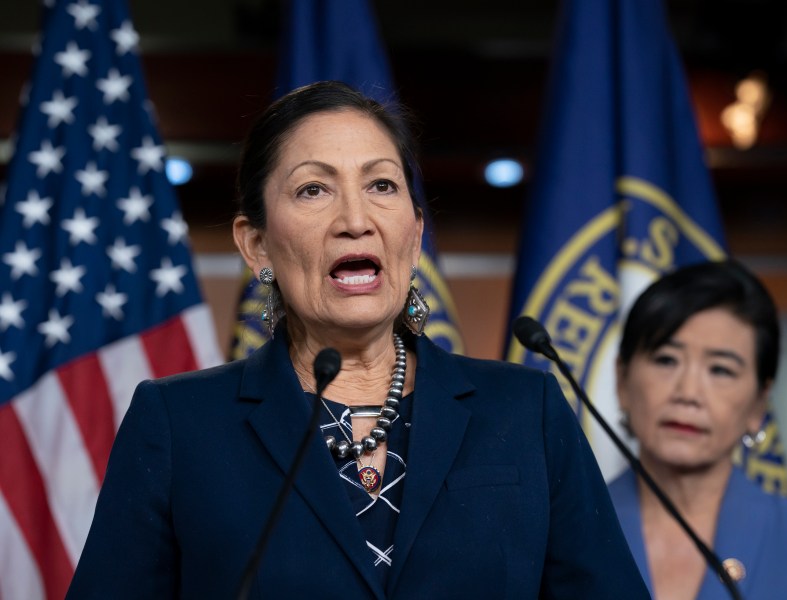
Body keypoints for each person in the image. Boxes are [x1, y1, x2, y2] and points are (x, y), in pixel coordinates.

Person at [67, 81, 649, 599]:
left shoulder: (526, 411)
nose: (355, 218)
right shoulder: (178, 424)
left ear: (415, 234)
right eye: (313, 190)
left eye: (381, 185)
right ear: (257, 246)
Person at [608, 259, 787, 599]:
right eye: (666, 360)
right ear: (622, 380)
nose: (688, 393)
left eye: (720, 370)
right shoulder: (563, 531)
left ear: (759, 403)